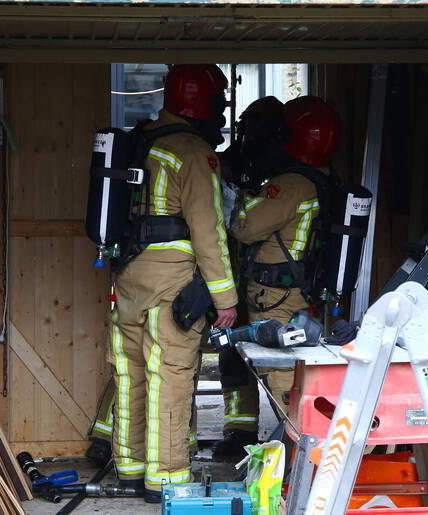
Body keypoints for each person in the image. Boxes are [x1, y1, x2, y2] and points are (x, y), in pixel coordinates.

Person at [105, 64, 238, 503]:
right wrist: (225, 296)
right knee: (170, 375)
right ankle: (166, 478)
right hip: (173, 281)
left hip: (130, 273)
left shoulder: (141, 140)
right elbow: (209, 230)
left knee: (131, 374)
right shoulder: (194, 152)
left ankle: (129, 470)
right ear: (206, 105)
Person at [214, 95, 342, 459]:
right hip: (304, 291)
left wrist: (238, 196)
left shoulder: (291, 184)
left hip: (275, 297)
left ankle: (304, 457)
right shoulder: (326, 179)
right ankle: (303, 450)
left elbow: (245, 228)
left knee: (281, 374)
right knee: (298, 370)